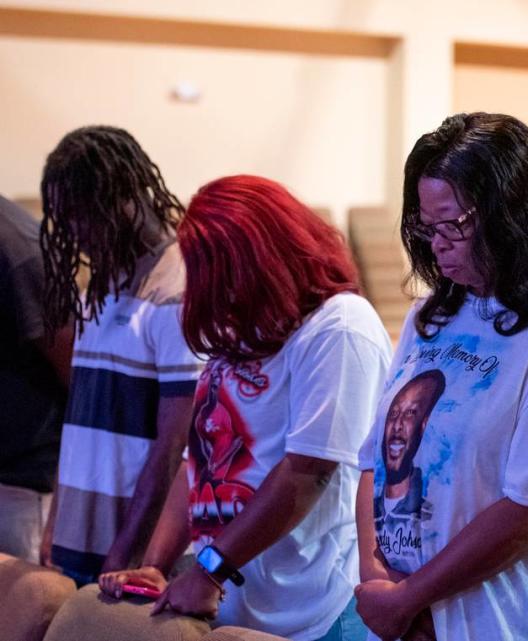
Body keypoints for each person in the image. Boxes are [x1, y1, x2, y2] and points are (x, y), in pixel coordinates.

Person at [354, 112, 528, 641]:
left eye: (455, 225)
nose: (437, 244)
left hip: (502, 621)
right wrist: (378, 580)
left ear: (515, 215)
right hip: (405, 615)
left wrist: (412, 597)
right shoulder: (430, 318)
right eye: (427, 228)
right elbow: (372, 464)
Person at [99, 175, 392, 641]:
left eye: (225, 271)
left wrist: (210, 569)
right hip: (236, 602)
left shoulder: (339, 327)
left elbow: (307, 471)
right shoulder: (242, 327)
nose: (217, 289)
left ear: (268, 255)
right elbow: (197, 465)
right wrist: (155, 565)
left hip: (316, 610)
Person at [40, 126, 204, 584]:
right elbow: (80, 417)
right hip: (78, 535)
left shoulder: (178, 288)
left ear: (125, 195)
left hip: (133, 549)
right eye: (62, 217)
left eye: (81, 214)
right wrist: (56, 520)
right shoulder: (103, 282)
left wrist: (127, 553)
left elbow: (175, 446)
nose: (74, 230)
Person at [0, 195, 73, 563]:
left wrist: (62, 510)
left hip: (16, 488)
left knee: (17, 614)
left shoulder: (16, 245)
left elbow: (75, 374)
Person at [374, 369, 445, 574]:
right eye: (393, 414)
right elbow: (367, 461)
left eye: (411, 414)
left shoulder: (429, 509)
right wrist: (372, 570)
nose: (397, 425)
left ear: (423, 426)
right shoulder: (415, 339)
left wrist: (407, 596)